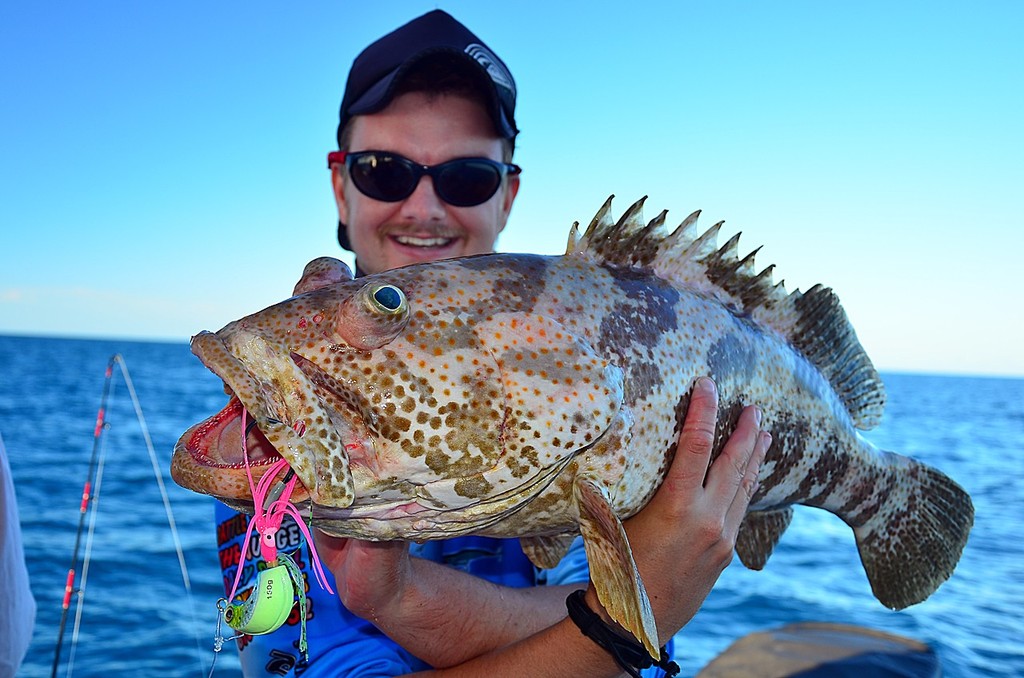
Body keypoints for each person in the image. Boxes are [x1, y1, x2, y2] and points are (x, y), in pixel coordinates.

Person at [213, 10, 770, 677]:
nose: (424, 207)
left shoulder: (587, 359)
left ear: (506, 196)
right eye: (384, 171)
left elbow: (635, 634)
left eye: (466, 177)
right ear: (340, 186)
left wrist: (406, 598)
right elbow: (631, 619)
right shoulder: (282, 417)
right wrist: (627, 614)